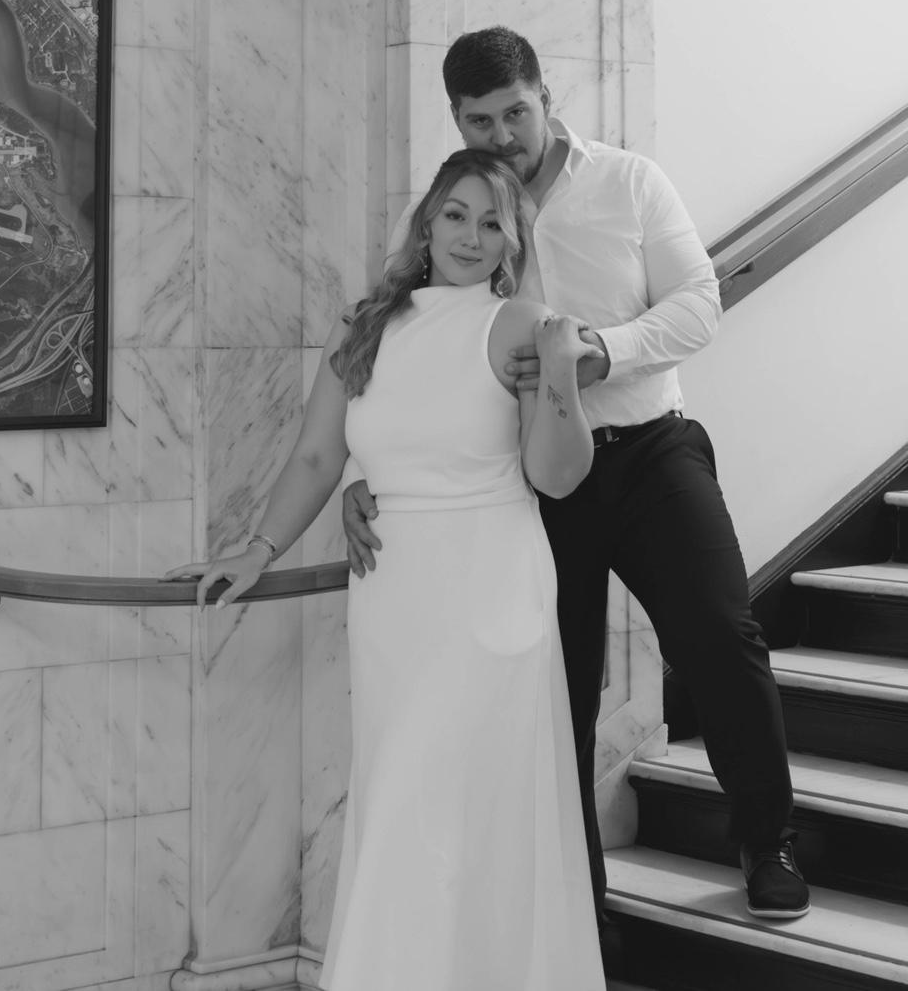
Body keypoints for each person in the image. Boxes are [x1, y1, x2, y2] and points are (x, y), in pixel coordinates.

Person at [343, 27, 809, 939]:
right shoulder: (456, 211)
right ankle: (574, 900)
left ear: (545, 97)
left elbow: (700, 302)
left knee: (720, 637)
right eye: (479, 121)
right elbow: (402, 350)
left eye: (515, 113)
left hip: (650, 451)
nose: (502, 135)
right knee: (555, 687)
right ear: (457, 120)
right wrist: (368, 472)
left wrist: (603, 351)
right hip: (531, 483)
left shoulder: (629, 182)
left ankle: (769, 842)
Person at [166, 148, 605, 991]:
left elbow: (556, 477)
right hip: (395, 598)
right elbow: (316, 455)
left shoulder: (517, 323)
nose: (470, 237)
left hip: (491, 594)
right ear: (427, 222)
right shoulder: (365, 324)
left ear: (512, 241)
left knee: (469, 808)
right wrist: (257, 550)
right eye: (456, 215)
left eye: (492, 223)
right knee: (401, 801)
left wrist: (558, 368)